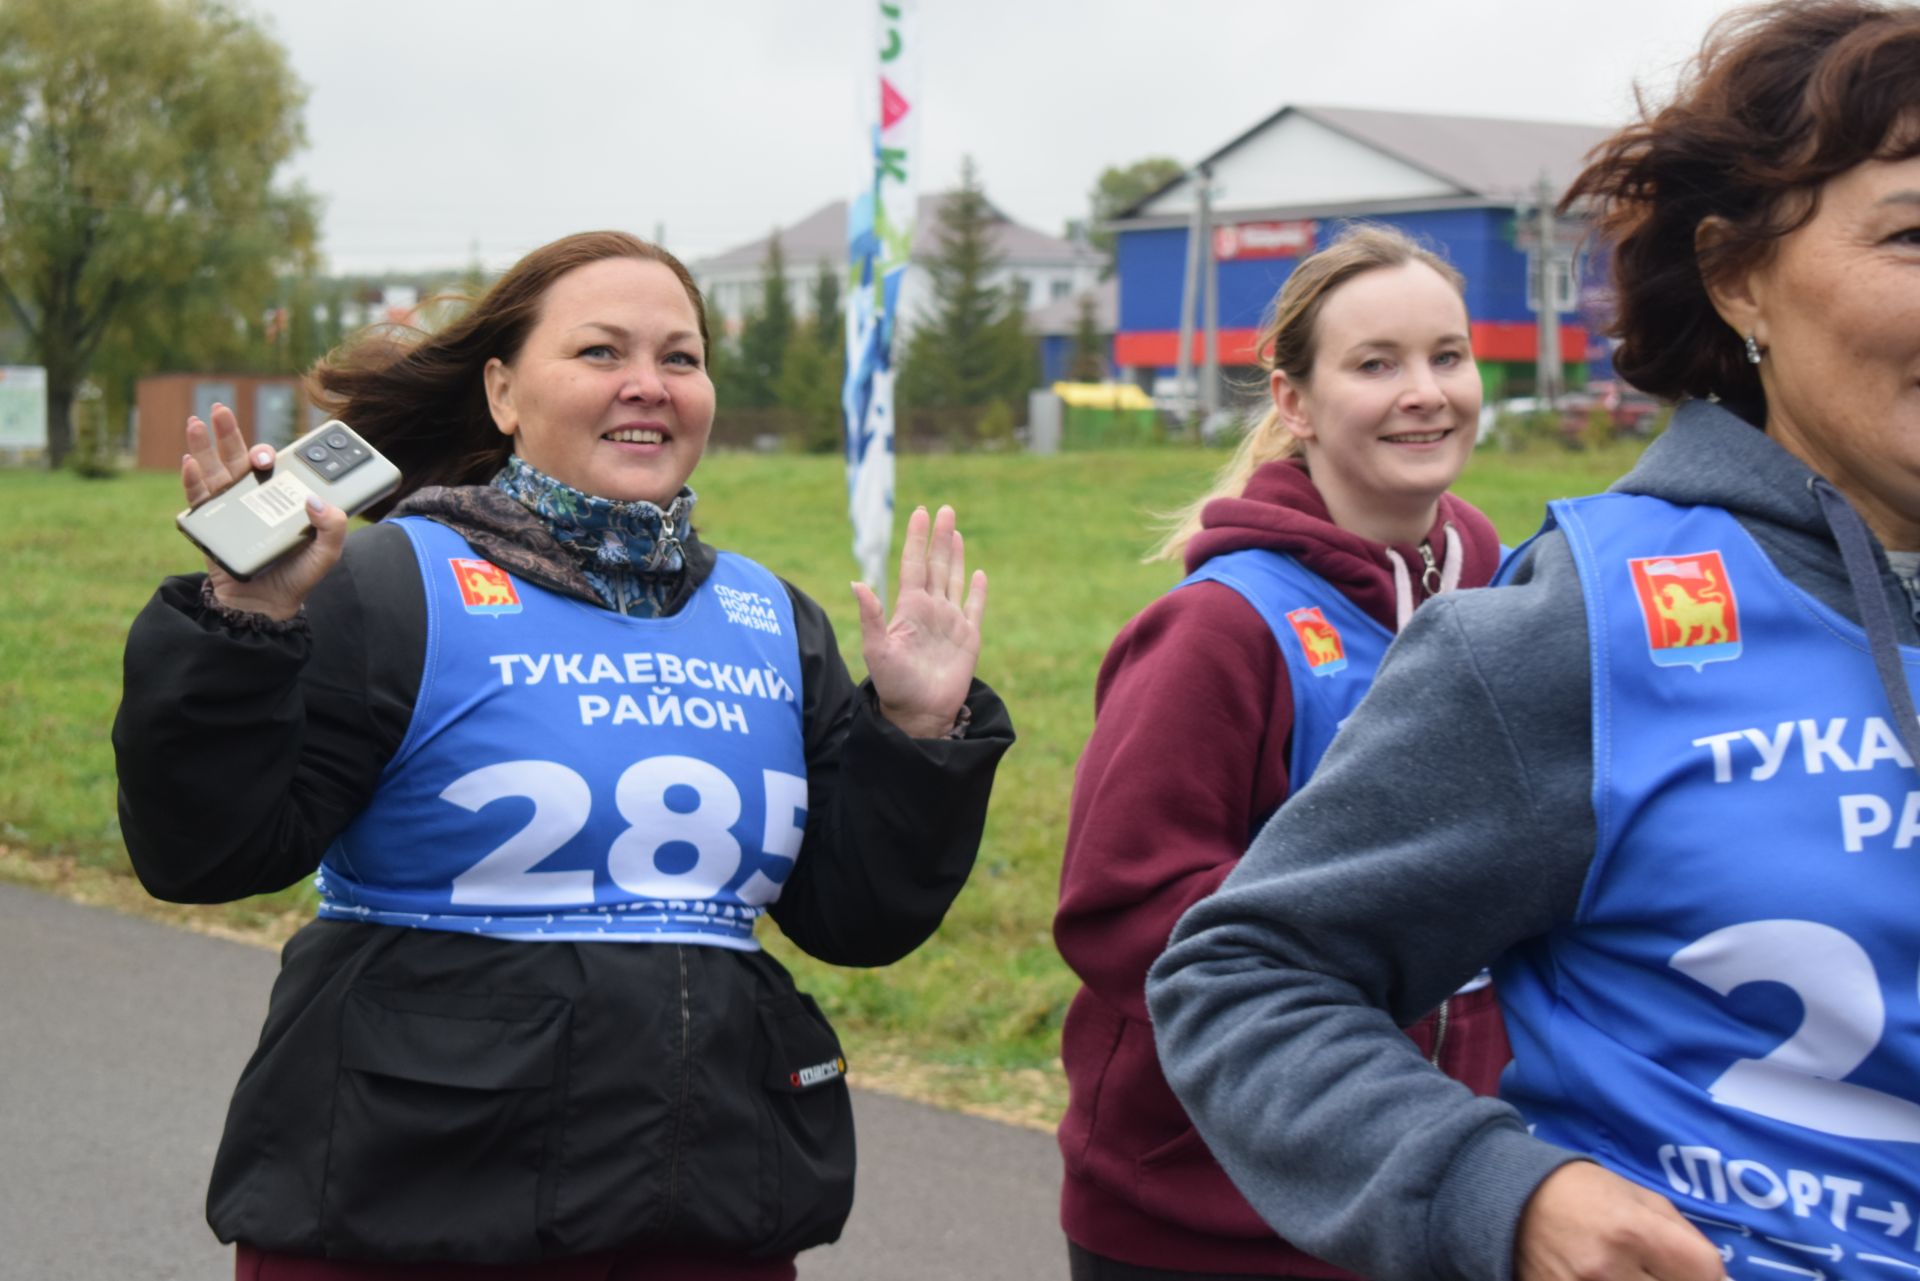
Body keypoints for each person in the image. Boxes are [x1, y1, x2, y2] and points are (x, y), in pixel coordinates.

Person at [1146, 4, 1920, 1280]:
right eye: (1912, 234)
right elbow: (1233, 967)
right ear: (1735, 278)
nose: (1426, 393)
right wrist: (1498, 1193)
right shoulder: (1578, 620)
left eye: (1448, 357)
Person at [112, 230, 1014, 1280]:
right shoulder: (389, 585)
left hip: (699, 1222)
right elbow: (203, 853)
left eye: (681, 358)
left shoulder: (771, 619)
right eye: (600, 354)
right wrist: (244, 622)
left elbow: (858, 920)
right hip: (403, 1219)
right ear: (502, 392)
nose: (650, 386)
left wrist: (916, 736)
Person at [1054, 224, 1511, 1280]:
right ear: (1294, 403)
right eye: (1376, 364)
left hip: (1445, 1184)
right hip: (1215, 1211)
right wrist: (1379, 948)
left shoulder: (1512, 599)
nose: (1426, 391)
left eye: (1448, 355)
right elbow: (1123, 913)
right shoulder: (1221, 627)